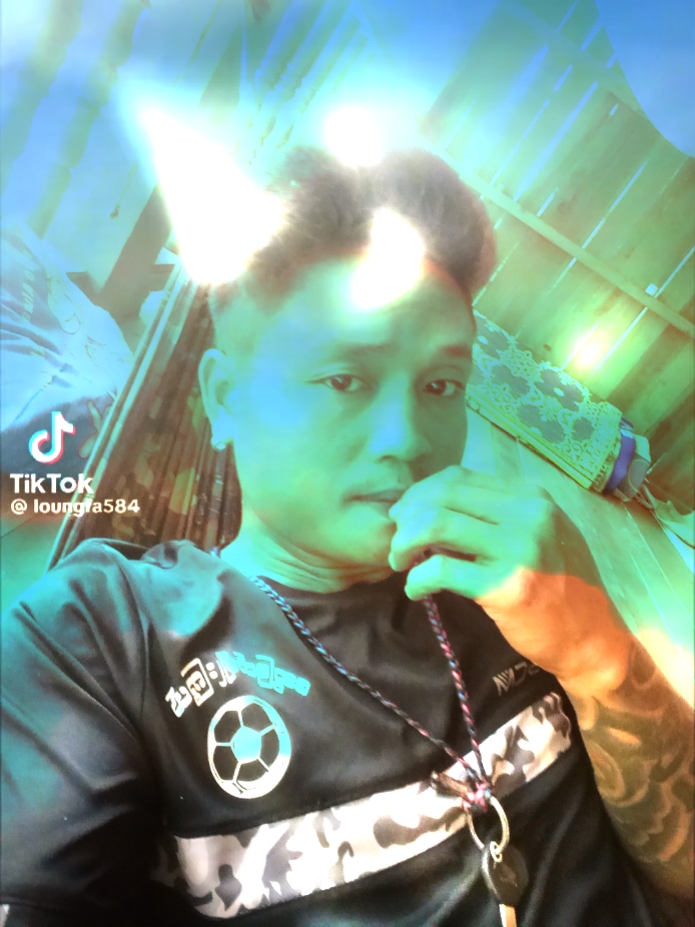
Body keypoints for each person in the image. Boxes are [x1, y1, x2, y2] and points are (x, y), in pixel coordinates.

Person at [1, 148, 692, 927]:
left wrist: (601, 655)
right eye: (343, 379)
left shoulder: (521, 574)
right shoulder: (107, 636)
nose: (406, 438)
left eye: (440, 385)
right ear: (225, 399)